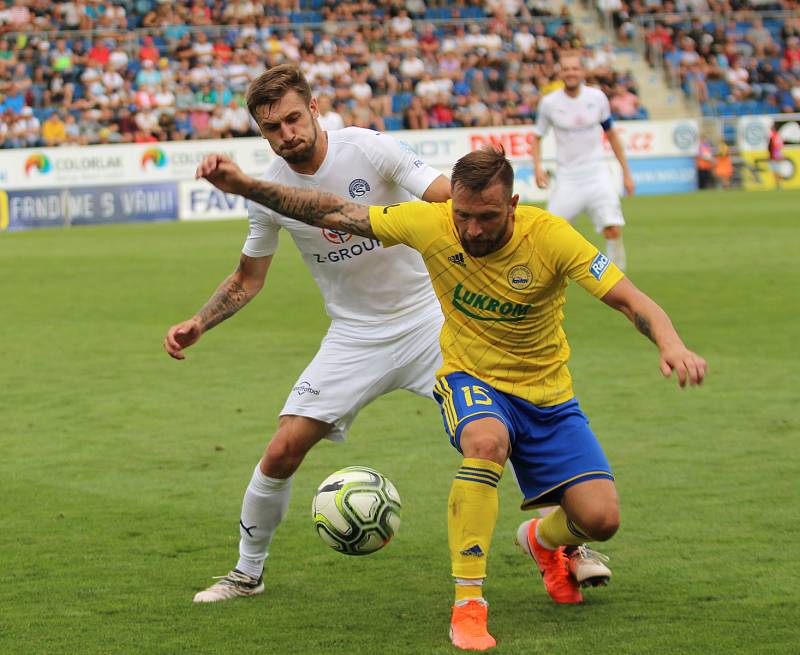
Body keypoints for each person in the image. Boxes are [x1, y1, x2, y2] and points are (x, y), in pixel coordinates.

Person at [194, 146, 707, 650]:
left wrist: (672, 343)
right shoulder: (431, 222)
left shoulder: (550, 236)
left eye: (487, 217)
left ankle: (542, 541)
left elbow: (628, 298)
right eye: (463, 215)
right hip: (470, 377)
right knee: (485, 442)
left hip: (548, 394)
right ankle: (468, 605)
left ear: (514, 204)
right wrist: (245, 186)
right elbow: (335, 211)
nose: (473, 230)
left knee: (601, 519)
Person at [163, 65, 452, 603]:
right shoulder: (266, 193)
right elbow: (249, 279)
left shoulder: (367, 149)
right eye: (272, 128)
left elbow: (444, 195)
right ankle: (247, 574)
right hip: (355, 336)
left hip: (428, 321)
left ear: (314, 108)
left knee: (500, 430)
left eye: (294, 118)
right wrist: (199, 321)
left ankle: (565, 547)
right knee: (281, 451)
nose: (286, 134)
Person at [531, 52, 634, 271]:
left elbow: (612, 135)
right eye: (566, 69)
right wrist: (537, 168)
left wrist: (626, 172)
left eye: (575, 69)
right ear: (560, 73)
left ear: (583, 72)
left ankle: (618, 278)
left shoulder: (597, 98)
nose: (571, 73)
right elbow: (537, 137)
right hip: (568, 177)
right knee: (549, 232)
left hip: (597, 174)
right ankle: (549, 276)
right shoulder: (549, 103)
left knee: (612, 229)